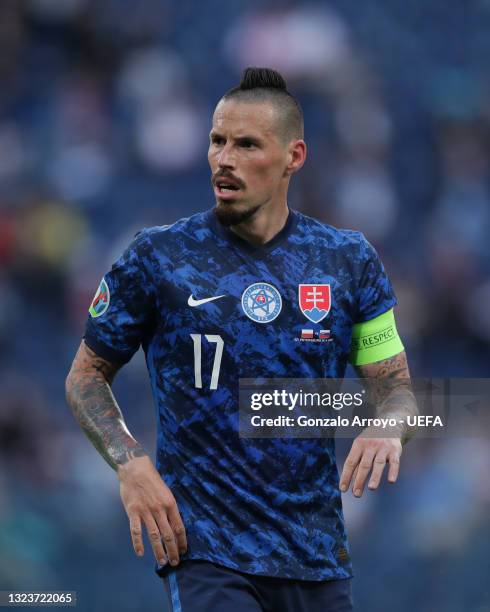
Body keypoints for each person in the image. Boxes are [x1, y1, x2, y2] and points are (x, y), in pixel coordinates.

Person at [66, 67, 417, 612]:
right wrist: (130, 461)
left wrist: (387, 427)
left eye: (246, 144)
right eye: (217, 141)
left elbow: (397, 390)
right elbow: (86, 375)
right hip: (206, 550)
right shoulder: (158, 257)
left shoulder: (348, 262)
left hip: (315, 554)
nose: (224, 159)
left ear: (292, 158)